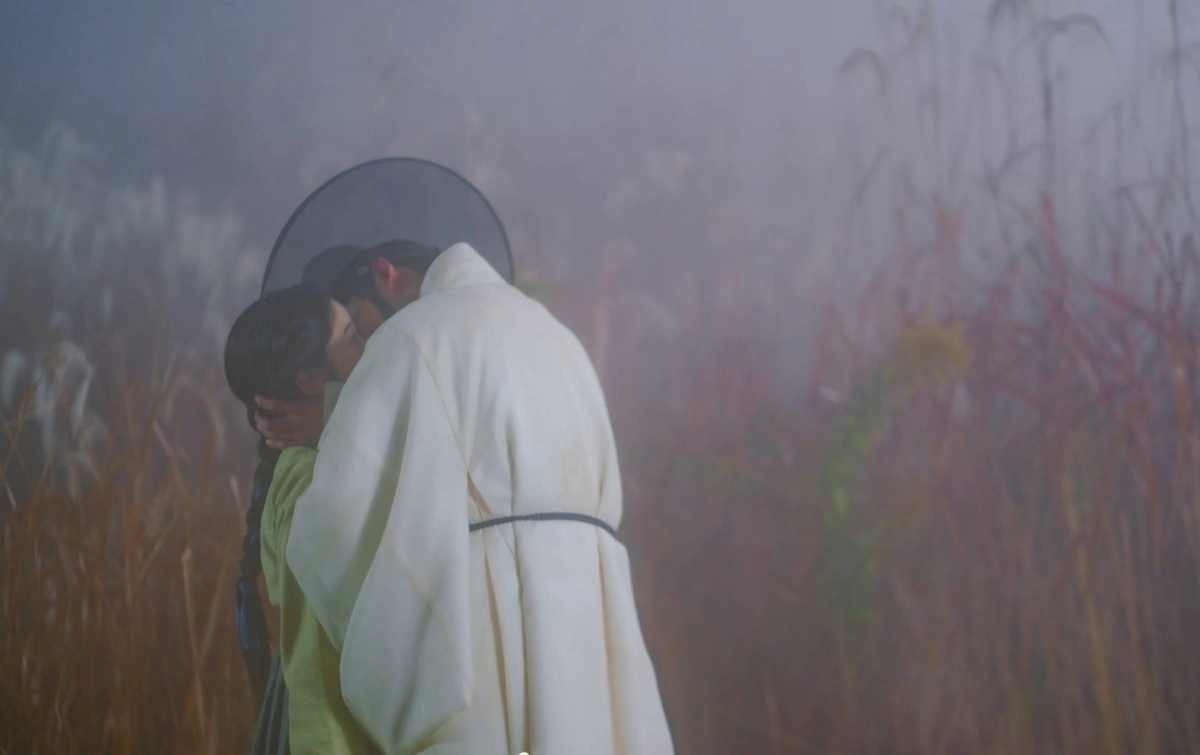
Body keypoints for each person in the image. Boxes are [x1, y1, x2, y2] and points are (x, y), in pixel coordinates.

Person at [255, 239, 676, 754]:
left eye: (359, 324)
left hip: (488, 640)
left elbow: (336, 526)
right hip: (587, 632)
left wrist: (323, 439)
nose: (363, 346)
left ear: (385, 274)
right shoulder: (559, 339)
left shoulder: (410, 335)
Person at [224, 285, 378, 755]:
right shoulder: (310, 483)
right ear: (310, 380)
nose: (368, 345)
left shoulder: (314, 468)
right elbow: (317, 660)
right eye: (352, 337)